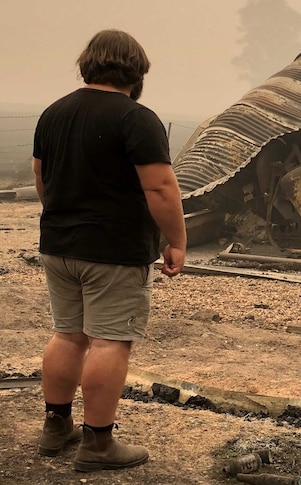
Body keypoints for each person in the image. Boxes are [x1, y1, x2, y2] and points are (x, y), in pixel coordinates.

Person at [32, 29, 186, 472]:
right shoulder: (136, 119)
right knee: (110, 340)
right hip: (114, 251)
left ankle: (57, 426)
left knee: (67, 334)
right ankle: (99, 445)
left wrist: (66, 219)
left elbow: (43, 179)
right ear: (136, 71)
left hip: (59, 245)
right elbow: (159, 186)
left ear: (88, 64)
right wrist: (176, 240)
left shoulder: (53, 113)